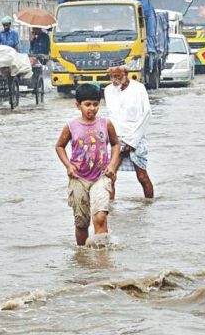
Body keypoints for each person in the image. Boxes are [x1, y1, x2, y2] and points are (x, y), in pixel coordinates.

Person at [55, 83, 120, 247]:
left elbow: (116, 144)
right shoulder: (71, 126)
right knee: (81, 223)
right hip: (79, 178)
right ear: (78, 105)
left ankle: (101, 256)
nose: (92, 108)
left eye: (96, 104)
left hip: (101, 177)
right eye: (87, 104)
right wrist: (68, 166)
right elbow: (59, 146)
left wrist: (112, 165)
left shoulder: (106, 124)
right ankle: (83, 257)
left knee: (100, 216)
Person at [103, 65, 154, 200]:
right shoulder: (108, 90)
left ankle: (149, 205)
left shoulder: (139, 88)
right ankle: (110, 210)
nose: (114, 80)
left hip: (136, 137)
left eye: (118, 76)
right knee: (110, 176)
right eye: (112, 77)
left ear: (126, 74)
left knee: (142, 176)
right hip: (117, 138)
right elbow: (112, 116)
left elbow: (147, 114)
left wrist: (133, 141)